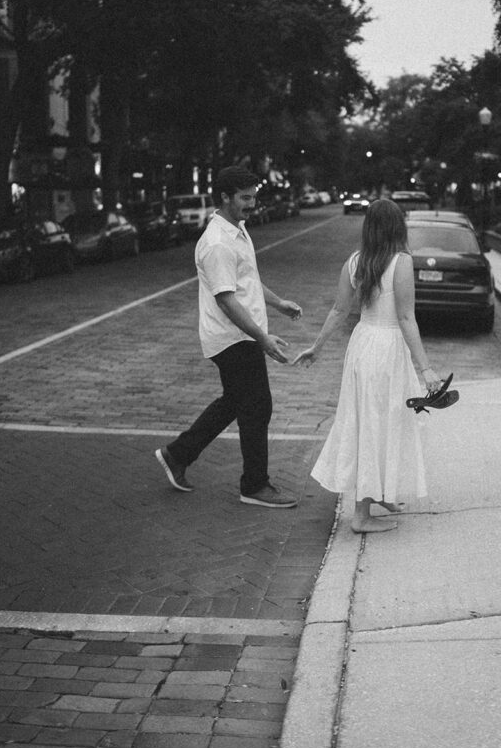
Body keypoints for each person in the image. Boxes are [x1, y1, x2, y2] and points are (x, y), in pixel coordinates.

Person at [155, 166, 302, 508]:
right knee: (257, 406)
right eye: (245, 198)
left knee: (236, 402)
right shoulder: (218, 243)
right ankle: (254, 485)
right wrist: (262, 338)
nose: (252, 204)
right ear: (225, 197)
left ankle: (178, 454)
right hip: (233, 338)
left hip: (240, 336)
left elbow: (246, 281)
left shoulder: (237, 230)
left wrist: (278, 303)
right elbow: (226, 298)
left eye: (254, 196)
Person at [293, 198, 442, 533]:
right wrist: (426, 369)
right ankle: (361, 515)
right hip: (387, 348)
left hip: (362, 345)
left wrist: (317, 347)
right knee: (380, 423)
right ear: (397, 227)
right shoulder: (401, 262)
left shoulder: (355, 261)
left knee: (369, 420)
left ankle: (381, 493)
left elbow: (338, 310)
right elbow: (405, 317)